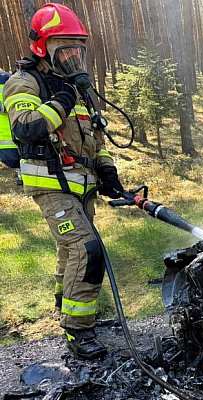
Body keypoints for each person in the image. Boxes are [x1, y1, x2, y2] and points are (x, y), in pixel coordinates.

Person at [2, 3, 125, 360]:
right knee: (87, 249)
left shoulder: (77, 88)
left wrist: (107, 170)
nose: (72, 57)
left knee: (70, 252)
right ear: (43, 47)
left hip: (82, 185)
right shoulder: (25, 82)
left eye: (77, 49)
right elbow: (26, 127)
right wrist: (63, 98)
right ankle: (77, 331)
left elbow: (96, 140)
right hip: (50, 183)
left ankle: (68, 307)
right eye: (64, 49)